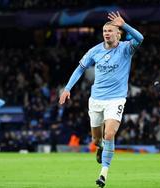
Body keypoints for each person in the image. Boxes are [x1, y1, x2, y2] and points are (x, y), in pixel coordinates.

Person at [59, 11, 143, 187]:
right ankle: (100, 148)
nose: (106, 33)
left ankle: (103, 174)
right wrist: (67, 88)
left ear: (118, 33)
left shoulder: (126, 48)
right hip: (96, 99)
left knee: (110, 133)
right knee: (97, 139)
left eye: (110, 30)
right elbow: (80, 69)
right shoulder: (94, 51)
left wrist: (124, 24)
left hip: (116, 99)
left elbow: (140, 38)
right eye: (104, 30)